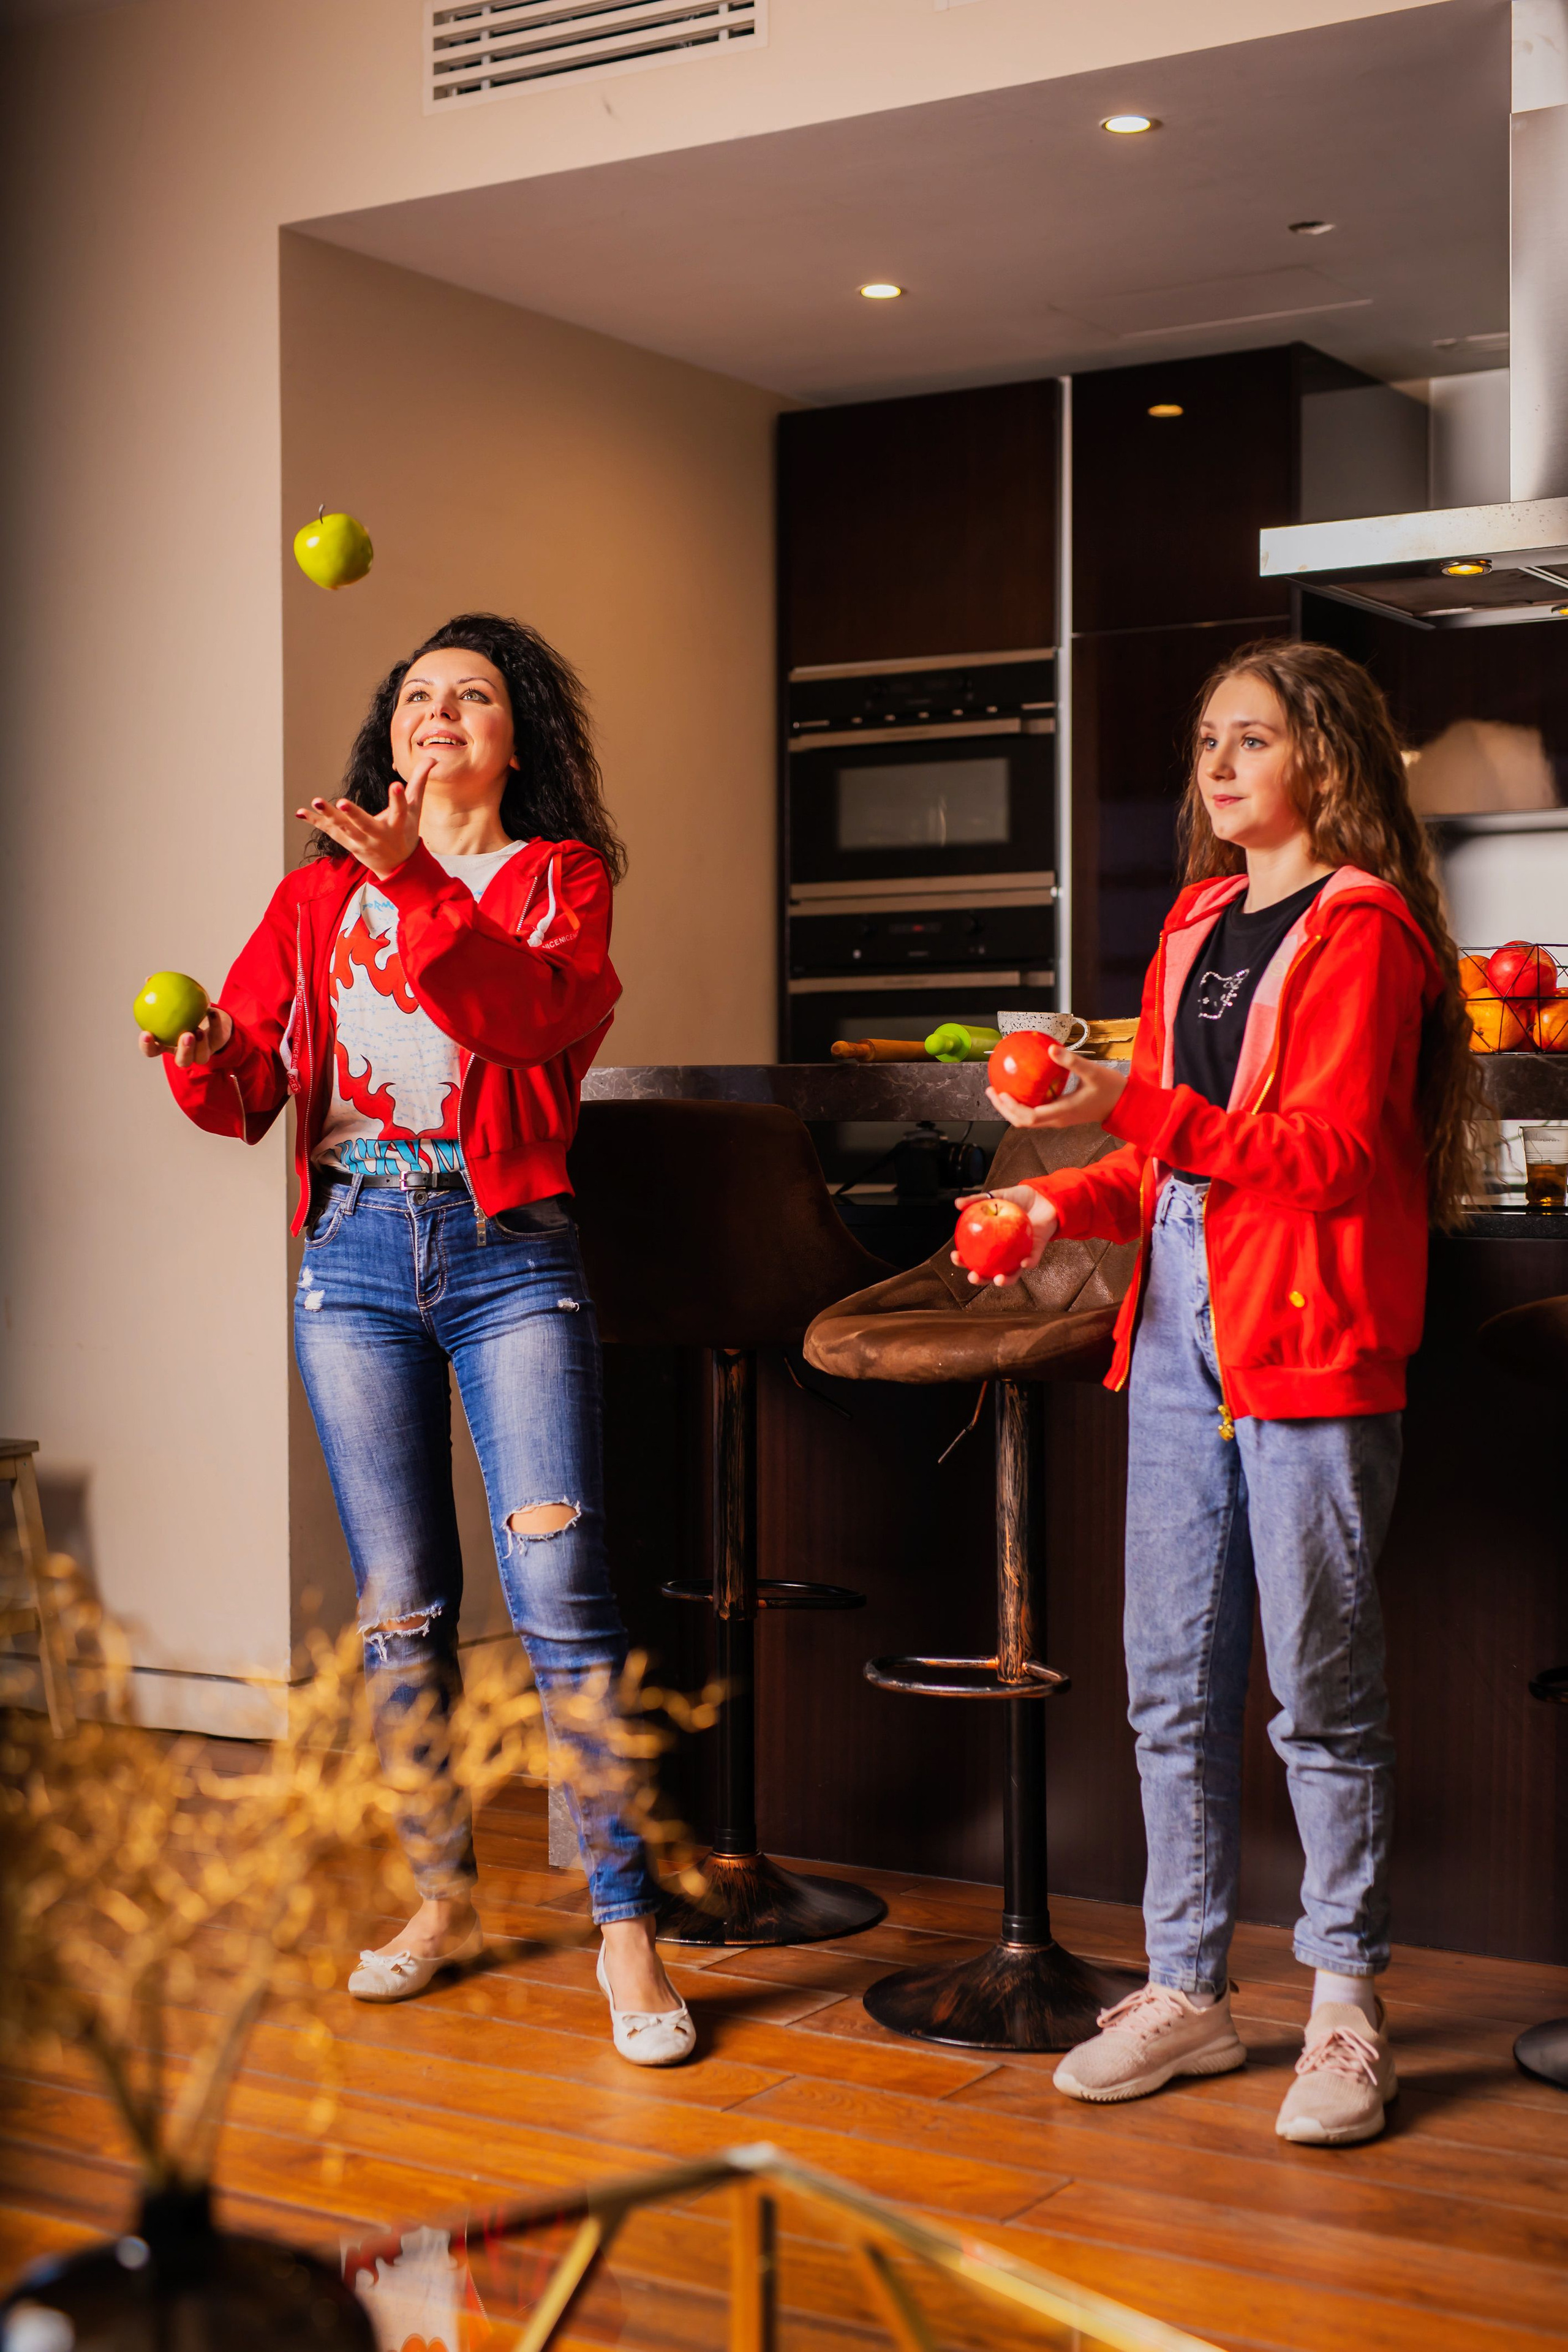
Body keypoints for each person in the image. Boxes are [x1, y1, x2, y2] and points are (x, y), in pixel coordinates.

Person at [140, 612, 695, 2067]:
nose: (439, 710)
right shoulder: (313, 899)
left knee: (559, 1585)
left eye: (473, 695)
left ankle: (624, 1927)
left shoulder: (558, 882)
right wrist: (206, 1056)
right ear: (390, 734)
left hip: (509, 1249)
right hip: (354, 1254)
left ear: (518, 739)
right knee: (399, 1603)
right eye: (417, 695)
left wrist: (415, 884)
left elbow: (524, 1022)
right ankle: (440, 1897)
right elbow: (252, 1078)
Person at [966, 640, 1477, 2146]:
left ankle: (1342, 2009)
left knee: (1317, 1682)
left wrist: (1124, 1104)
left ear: (1324, 756)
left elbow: (1330, 1158)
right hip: (1181, 1313)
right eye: (1206, 741)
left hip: (1306, 1321)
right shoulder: (1195, 922)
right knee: (1168, 1674)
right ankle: (1184, 1989)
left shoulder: (1363, 929)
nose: (1216, 764)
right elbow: (1163, 1160)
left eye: (1249, 738)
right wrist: (1054, 1201)